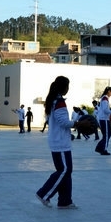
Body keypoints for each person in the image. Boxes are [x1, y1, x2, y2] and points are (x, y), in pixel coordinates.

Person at [36, 76, 77, 209]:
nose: (68, 89)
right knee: (65, 170)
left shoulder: (52, 101)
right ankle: (44, 194)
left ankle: (65, 201)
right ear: (63, 87)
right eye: (67, 86)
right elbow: (64, 122)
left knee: (66, 171)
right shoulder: (59, 102)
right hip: (60, 143)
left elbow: (53, 122)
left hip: (57, 140)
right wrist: (78, 123)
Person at [94, 86, 111, 155]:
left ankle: (99, 147)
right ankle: (104, 150)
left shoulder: (104, 98)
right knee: (107, 135)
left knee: (107, 134)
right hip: (104, 119)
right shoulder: (105, 99)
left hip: (103, 119)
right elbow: (105, 110)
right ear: (109, 91)